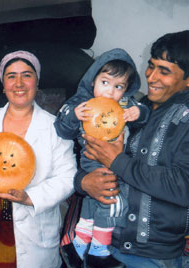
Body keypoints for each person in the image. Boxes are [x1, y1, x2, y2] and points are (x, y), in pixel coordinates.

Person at [74, 30, 189, 268]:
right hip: (104, 244)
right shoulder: (130, 109)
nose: (151, 77)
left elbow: (184, 185)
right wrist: (84, 182)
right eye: (151, 66)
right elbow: (88, 157)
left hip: (153, 257)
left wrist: (118, 161)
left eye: (164, 71)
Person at [0, 50, 77, 268]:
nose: (19, 83)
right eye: (11, 76)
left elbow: (68, 176)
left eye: (26, 75)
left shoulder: (55, 127)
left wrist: (30, 197)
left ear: (37, 82)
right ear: (3, 83)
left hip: (32, 224)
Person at [54, 48, 150, 268]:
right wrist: (73, 115)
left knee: (92, 205)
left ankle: (77, 246)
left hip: (115, 161)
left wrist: (139, 113)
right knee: (116, 202)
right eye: (105, 82)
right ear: (93, 81)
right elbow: (61, 127)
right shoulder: (82, 104)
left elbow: (145, 113)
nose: (110, 92)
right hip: (94, 162)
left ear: (126, 90)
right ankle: (99, 252)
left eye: (119, 87)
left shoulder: (125, 105)